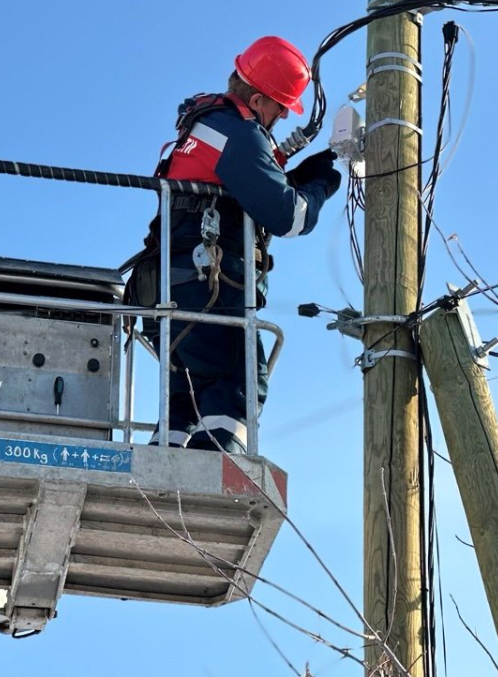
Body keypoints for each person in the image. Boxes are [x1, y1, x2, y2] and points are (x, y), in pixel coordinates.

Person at [130, 35, 341, 454]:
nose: (284, 116)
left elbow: (241, 189)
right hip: (207, 290)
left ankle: (161, 464)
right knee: (237, 386)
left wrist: (294, 178)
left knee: (184, 400)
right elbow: (290, 218)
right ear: (258, 99)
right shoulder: (240, 134)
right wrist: (320, 184)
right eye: (281, 106)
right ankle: (213, 469)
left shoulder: (205, 126)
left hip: (166, 287)